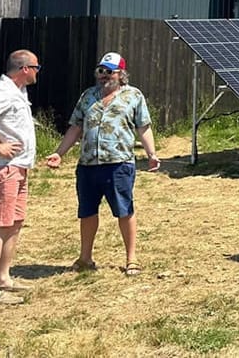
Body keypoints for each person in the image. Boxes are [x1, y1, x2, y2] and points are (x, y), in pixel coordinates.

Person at [46, 52, 160, 276]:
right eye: (100, 71)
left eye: (109, 71)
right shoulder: (88, 96)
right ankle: (85, 257)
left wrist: (151, 154)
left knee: (124, 211)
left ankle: (132, 259)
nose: (103, 76)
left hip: (119, 164)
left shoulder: (133, 96)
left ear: (121, 74)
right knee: (87, 212)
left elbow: (143, 127)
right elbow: (76, 127)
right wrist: (60, 153)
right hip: (88, 165)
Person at [0, 49, 41, 305]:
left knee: (14, 223)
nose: (37, 72)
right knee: (0, 226)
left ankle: (3, 277)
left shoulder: (18, 91)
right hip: (5, 169)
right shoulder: (2, 91)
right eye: (36, 67)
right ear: (25, 69)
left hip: (19, 167)